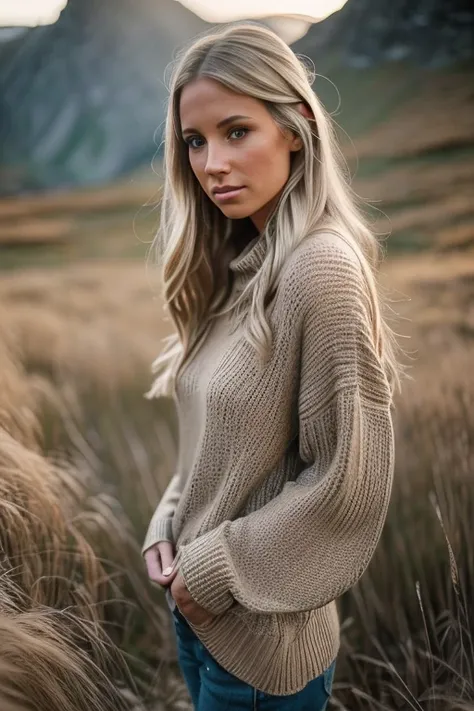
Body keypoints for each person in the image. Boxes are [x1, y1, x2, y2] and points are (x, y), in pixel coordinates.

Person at [142, 20, 403, 711]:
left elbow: (347, 480)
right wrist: (164, 527)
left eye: (236, 131)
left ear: (294, 128)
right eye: (194, 142)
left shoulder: (322, 269)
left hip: (265, 651)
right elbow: (212, 444)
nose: (212, 164)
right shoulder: (235, 268)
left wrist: (210, 567)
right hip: (201, 620)